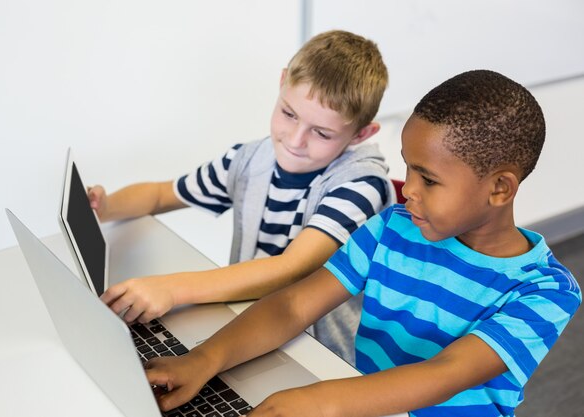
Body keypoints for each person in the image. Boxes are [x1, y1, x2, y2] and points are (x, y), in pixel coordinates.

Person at [143, 70, 582, 417]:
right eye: (409, 169)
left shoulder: (544, 291)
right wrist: (203, 360)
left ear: (500, 189)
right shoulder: (393, 227)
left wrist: (317, 402)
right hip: (358, 403)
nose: (408, 190)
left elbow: (445, 373)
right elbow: (294, 305)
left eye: (428, 179)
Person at [88, 30, 395, 364]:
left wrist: (171, 289)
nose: (294, 140)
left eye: (321, 132)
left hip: (320, 357)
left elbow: (291, 268)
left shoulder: (362, 184)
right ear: (281, 83)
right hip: (246, 330)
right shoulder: (249, 161)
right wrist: (105, 206)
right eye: (289, 114)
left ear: (361, 134)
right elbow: (161, 194)